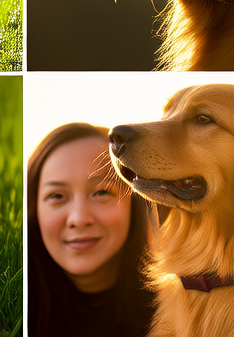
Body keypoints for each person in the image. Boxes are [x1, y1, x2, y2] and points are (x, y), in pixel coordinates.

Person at [28, 122, 156, 337]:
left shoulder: (178, 317)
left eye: (101, 192)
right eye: (57, 196)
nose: (79, 219)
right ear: (34, 209)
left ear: (134, 204)